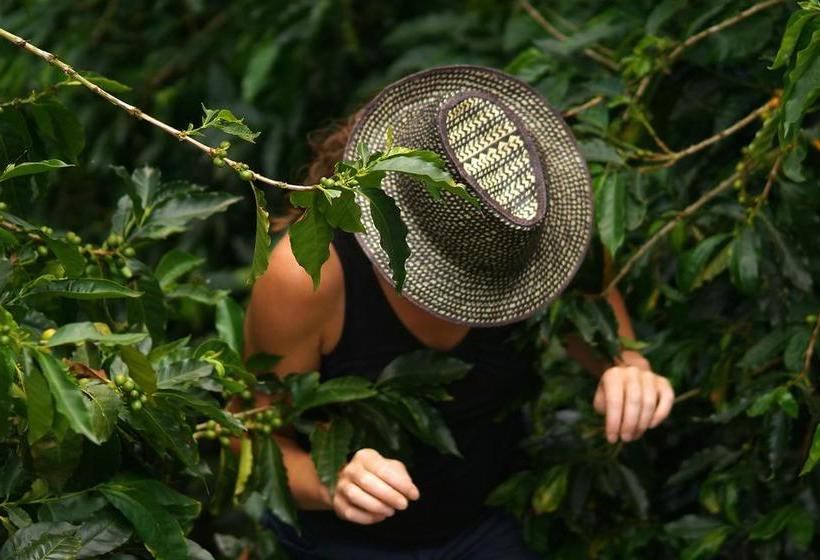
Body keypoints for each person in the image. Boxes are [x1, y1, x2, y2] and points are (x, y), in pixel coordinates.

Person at [243, 66, 675, 559]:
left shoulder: (535, 235)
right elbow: (253, 434)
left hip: (487, 521)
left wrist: (630, 372)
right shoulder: (306, 276)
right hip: (339, 541)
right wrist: (333, 483)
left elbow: (612, 350)